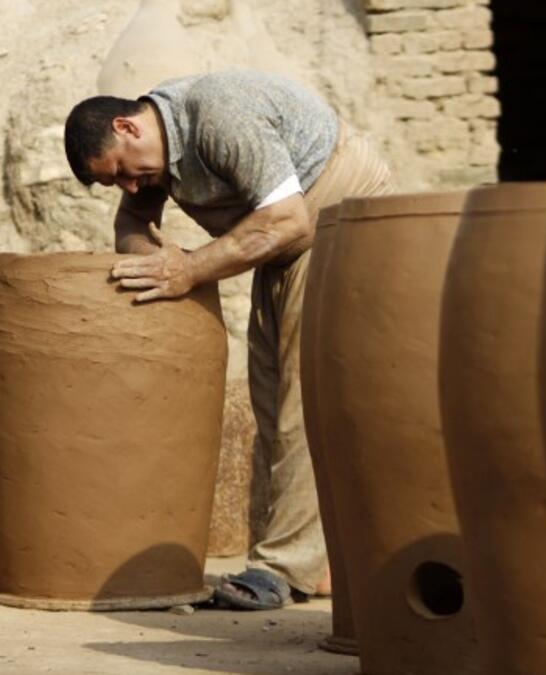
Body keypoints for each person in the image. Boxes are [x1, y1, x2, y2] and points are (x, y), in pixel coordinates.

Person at [63, 69, 394, 610]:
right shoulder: (152, 164)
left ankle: (283, 570)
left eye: (121, 171)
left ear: (127, 127)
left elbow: (286, 220)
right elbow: (132, 226)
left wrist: (188, 269)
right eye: (113, 183)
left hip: (335, 217)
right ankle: (315, 562)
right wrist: (150, 267)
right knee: (270, 400)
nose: (128, 186)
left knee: (300, 399)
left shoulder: (217, 114)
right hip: (280, 241)